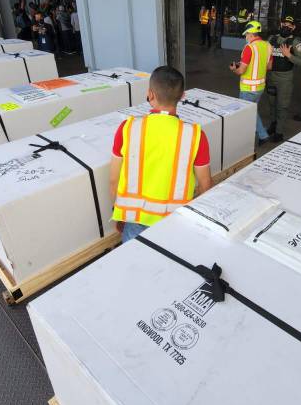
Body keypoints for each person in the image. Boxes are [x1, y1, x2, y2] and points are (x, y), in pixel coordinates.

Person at [109, 66, 213, 243]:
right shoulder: (195, 135)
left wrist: (120, 215)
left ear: (150, 94)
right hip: (175, 223)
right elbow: (205, 186)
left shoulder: (127, 128)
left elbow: (113, 180)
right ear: (182, 96)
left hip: (136, 222)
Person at [231, 20, 272, 146]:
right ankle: (263, 135)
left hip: (248, 89)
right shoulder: (268, 46)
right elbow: (269, 66)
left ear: (250, 33)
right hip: (260, 88)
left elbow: (241, 71)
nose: (245, 37)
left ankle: (247, 140)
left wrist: (234, 69)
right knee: (253, 111)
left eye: (246, 34)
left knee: (245, 114)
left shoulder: (249, 48)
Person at [265, 15, 301, 141]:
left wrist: (289, 55)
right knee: (272, 104)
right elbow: (263, 54)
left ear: (293, 27)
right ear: (280, 24)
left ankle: (279, 132)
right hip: (271, 77)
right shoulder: (272, 39)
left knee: (282, 106)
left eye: (289, 25)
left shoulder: (295, 42)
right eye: (284, 24)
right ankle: (273, 124)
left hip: (285, 79)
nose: (286, 27)